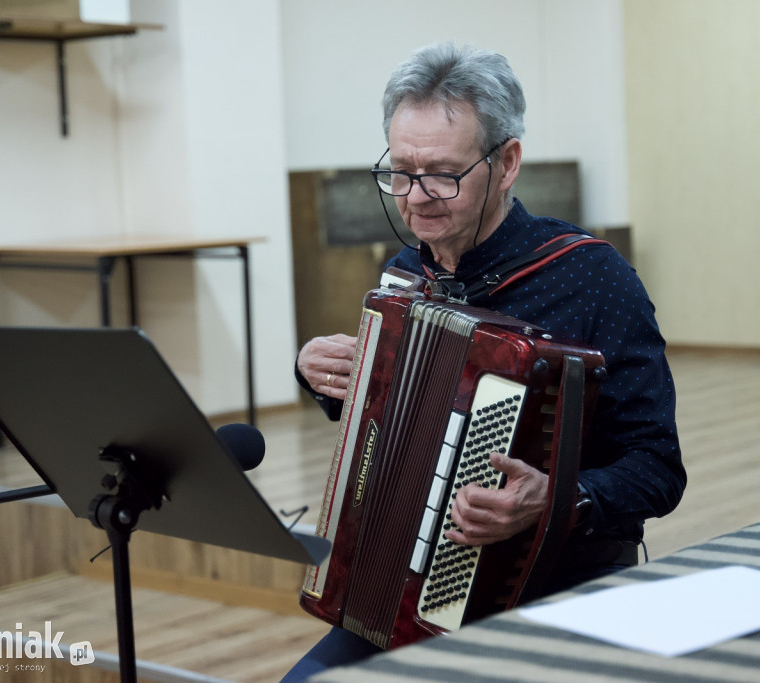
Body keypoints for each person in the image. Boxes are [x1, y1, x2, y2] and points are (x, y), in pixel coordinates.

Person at [285, 42, 685, 680]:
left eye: (442, 173)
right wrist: (326, 376)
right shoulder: (402, 276)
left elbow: (658, 468)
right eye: (400, 171)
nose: (415, 198)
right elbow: (389, 425)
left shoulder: (592, 278)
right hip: (407, 590)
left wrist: (557, 499)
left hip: (556, 589)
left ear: (507, 163)